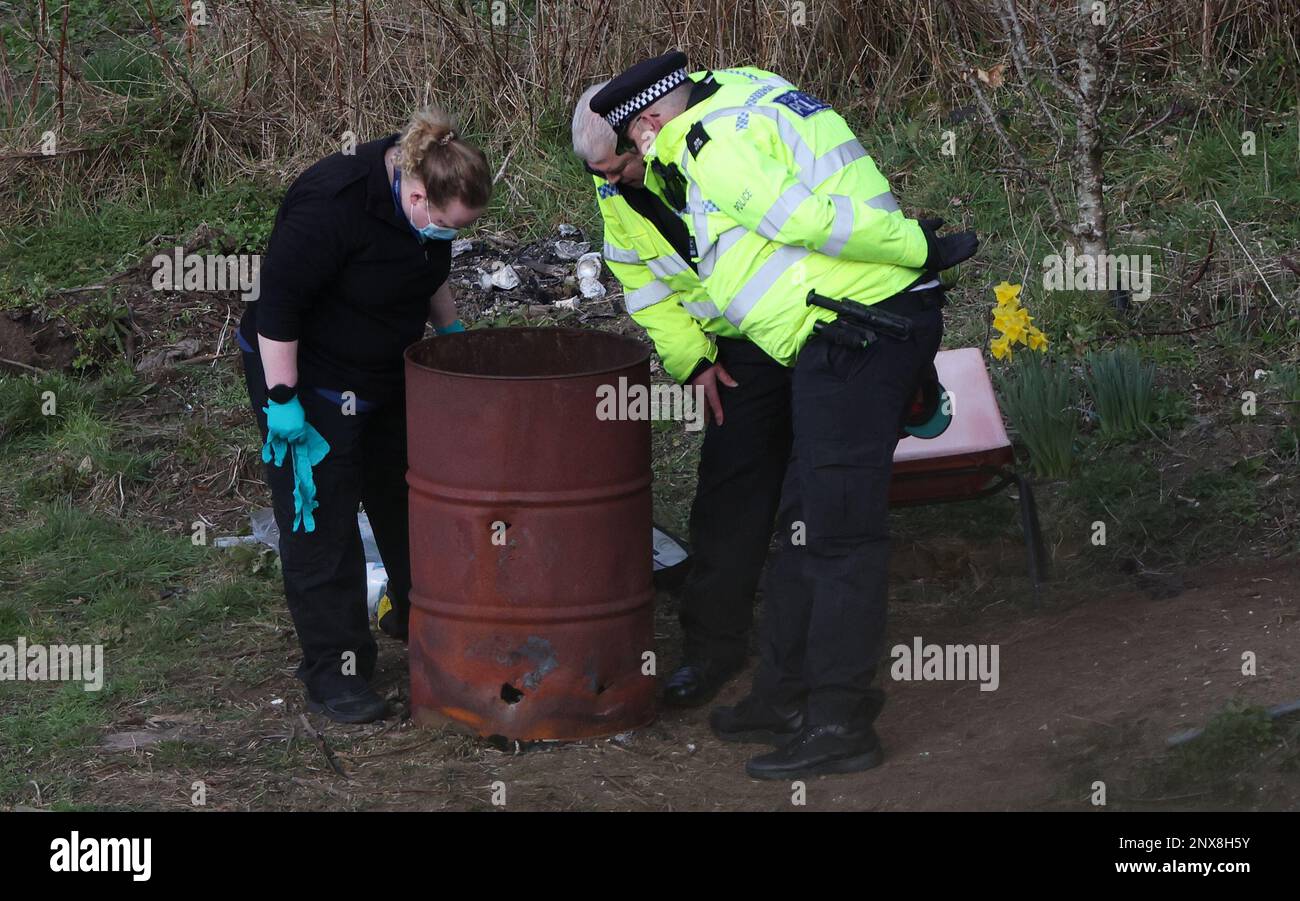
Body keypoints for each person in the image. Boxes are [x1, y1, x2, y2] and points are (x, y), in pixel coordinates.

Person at [591, 53, 978, 778]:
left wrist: (920, 244)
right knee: (804, 520)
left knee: (838, 534)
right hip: (839, 329)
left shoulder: (706, 146)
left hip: (859, 329)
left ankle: (838, 720)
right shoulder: (736, 95)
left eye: (633, 146)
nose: (637, 162)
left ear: (647, 124)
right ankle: (783, 692)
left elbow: (803, 220)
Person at [237, 108, 492, 723]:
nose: (445, 235)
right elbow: (278, 308)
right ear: (413, 195)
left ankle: (420, 623)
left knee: (406, 499)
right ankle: (337, 672)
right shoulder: (332, 203)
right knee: (321, 523)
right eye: (443, 224)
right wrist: (283, 402)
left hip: (385, 370)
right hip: (307, 375)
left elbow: (425, 270)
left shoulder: (430, 198)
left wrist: (451, 333)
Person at [571, 79, 793, 708]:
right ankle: (713, 649)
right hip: (734, 346)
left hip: (807, 319)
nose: (610, 183)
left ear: (646, 130)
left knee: (814, 486)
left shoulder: (717, 142)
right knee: (728, 493)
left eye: (618, 168)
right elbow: (642, 283)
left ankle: (807, 649)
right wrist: (692, 361)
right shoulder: (611, 183)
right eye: (599, 175)